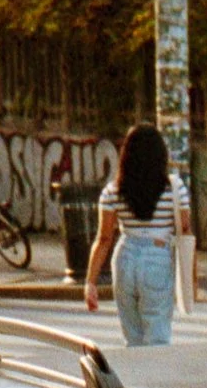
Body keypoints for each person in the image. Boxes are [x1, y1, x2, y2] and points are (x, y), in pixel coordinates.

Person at [82, 124, 196, 346]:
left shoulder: (112, 191)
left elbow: (104, 239)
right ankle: (155, 380)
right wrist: (191, 280)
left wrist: (90, 282)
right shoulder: (175, 189)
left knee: (133, 338)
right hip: (158, 258)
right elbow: (186, 233)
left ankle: (136, 379)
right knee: (157, 338)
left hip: (124, 257)